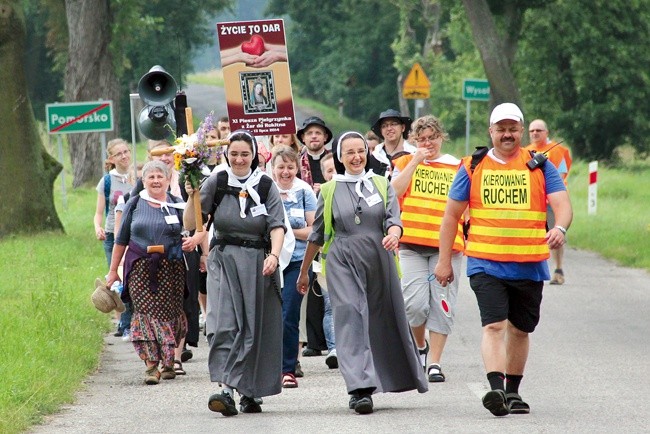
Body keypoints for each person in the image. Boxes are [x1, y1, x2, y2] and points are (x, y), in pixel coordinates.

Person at [434, 103, 572, 417]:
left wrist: (560, 227)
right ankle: (496, 388)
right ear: (491, 131)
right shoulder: (472, 166)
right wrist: (444, 261)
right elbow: (451, 217)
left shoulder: (539, 166)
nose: (507, 134)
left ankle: (513, 392)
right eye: (501, 129)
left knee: (521, 330)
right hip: (486, 262)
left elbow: (562, 204)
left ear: (521, 132)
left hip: (530, 263)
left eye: (512, 129)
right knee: (494, 325)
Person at [297, 131, 428, 414]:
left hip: (379, 259)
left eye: (360, 151)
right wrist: (304, 271)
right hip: (342, 260)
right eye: (349, 152)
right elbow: (317, 234)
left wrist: (394, 234)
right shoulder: (330, 189)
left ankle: (389, 377)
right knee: (350, 316)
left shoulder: (382, 184)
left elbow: (394, 220)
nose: (356, 157)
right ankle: (360, 389)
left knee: (381, 320)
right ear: (340, 157)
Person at [184, 129, 286, 416]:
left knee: (254, 328)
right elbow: (194, 221)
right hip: (223, 259)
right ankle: (226, 389)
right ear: (226, 155)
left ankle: (250, 391)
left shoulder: (266, 185)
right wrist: (192, 195)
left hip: (257, 262)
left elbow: (277, 225)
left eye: (245, 154)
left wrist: (274, 256)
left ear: (254, 155)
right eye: (234, 154)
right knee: (223, 323)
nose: (239, 159)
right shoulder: (217, 180)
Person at [106, 160, 198, 385]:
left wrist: (192, 243)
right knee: (145, 313)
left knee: (170, 313)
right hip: (140, 266)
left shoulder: (177, 203)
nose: (156, 181)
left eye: (160, 176)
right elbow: (121, 239)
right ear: (143, 181)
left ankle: (168, 363)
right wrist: (112, 271)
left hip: (172, 268)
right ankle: (151, 366)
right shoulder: (135, 203)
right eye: (151, 177)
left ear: (168, 180)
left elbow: (192, 230)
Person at [391, 115, 464, 383]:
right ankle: (420, 347)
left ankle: (435, 362)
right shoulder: (404, 162)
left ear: (441, 137)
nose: (427, 143)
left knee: (442, 303)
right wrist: (414, 161)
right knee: (415, 305)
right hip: (411, 245)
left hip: (446, 248)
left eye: (432, 137)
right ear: (413, 141)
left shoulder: (457, 166)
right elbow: (393, 192)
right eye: (421, 139)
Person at [271, 146, 318, 388]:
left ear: (297, 168)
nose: (286, 172)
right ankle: (266, 366)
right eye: (281, 167)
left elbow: (313, 230)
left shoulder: (304, 191)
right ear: (273, 168)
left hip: (298, 261)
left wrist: (285, 231)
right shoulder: (266, 189)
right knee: (268, 315)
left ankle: (287, 368)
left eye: (290, 167)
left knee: (289, 313)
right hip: (270, 260)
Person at [296, 116, 332, 356]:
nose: (314, 137)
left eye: (318, 133)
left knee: (327, 288)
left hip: (329, 224)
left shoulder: (334, 160)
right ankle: (312, 341)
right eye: (310, 133)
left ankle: (329, 340)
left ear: (325, 137)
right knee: (308, 284)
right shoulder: (297, 162)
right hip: (307, 225)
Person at [93, 138, 135, 338]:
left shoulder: (138, 176)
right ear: (111, 158)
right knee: (118, 277)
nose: (124, 156)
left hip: (135, 234)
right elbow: (99, 212)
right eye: (119, 154)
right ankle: (125, 324)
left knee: (133, 277)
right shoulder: (107, 181)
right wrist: (97, 227)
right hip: (112, 236)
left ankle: (130, 323)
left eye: (126, 151)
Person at [525, 119, 573, 285]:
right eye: (532, 131)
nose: (535, 133)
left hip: (551, 201)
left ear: (546, 132)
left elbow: (561, 175)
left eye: (538, 130)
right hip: (533, 202)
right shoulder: (526, 151)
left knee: (555, 234)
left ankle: (558, 269)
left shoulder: (557, 150)